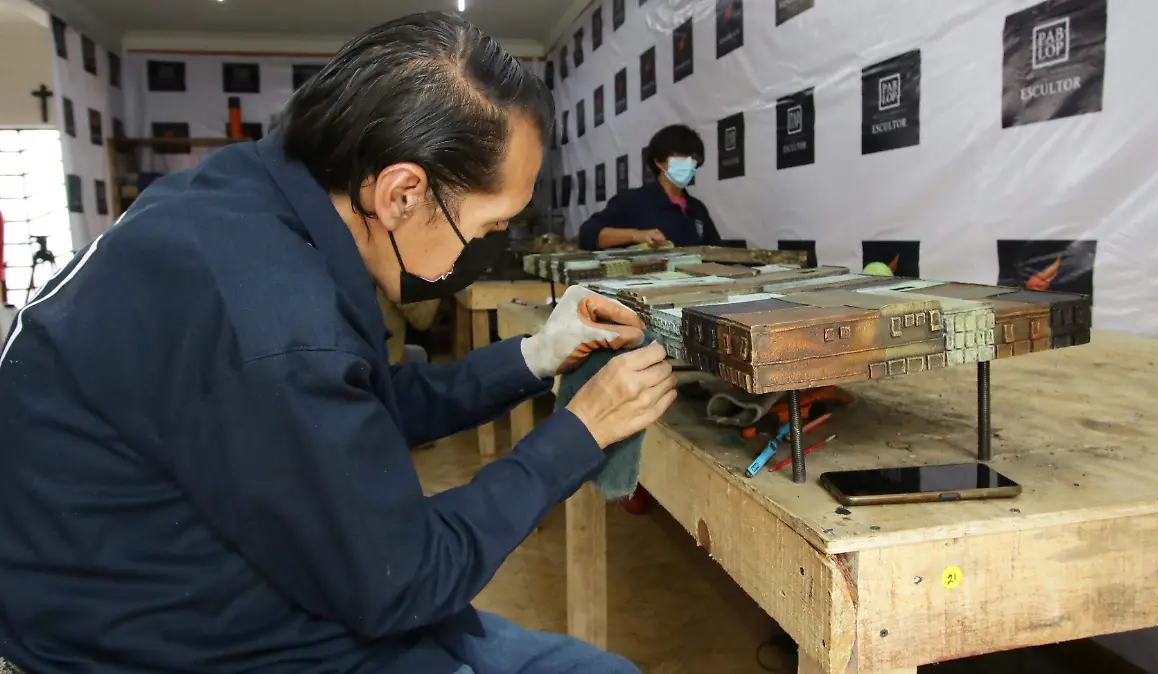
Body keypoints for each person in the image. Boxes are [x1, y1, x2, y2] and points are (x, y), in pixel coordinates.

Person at [0, 13, 677, 674]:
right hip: (165, 635)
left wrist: (534, 356)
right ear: (402, 193)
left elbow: (355, 407)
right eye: (492, 224)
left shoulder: (246, 197)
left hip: (207, 571)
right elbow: (403, 581)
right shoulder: (276, 323)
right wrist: (579, 433)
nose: (493, 246)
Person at [578, 124, 722, 250]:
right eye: (681, 157)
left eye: (694, 159)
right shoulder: (631, 201)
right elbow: (589, 234)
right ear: (658, 161)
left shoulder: (697, 209)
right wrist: (636, 235)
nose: (689, 163)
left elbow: (716, 252)